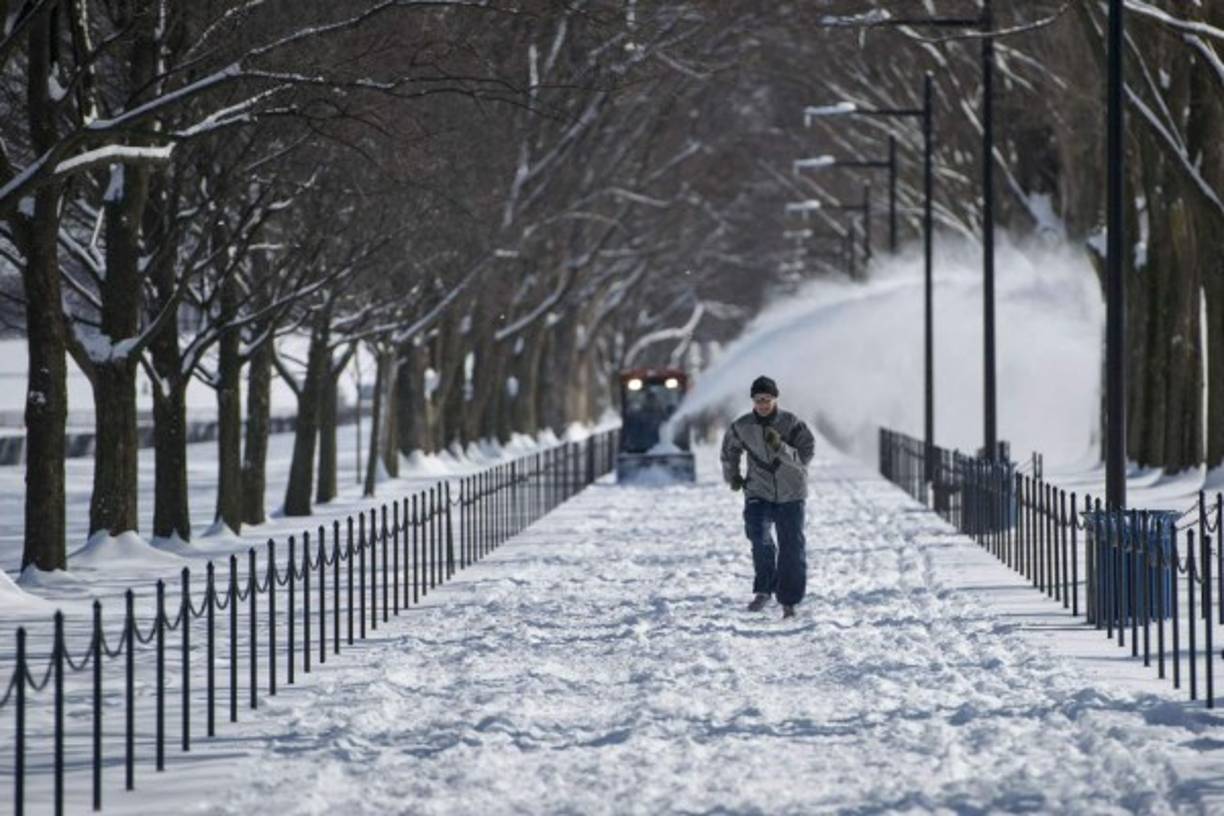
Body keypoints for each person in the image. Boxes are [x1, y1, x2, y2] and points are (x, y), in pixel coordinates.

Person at [720, 375, 815, 618]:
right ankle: (764, 589)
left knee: (791, 546)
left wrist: (780, 448)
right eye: (758, 399)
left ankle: (789, 600)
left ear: (775, 398)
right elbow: (729, 450)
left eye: (768, 399)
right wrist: (733, 475)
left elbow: (804, 456)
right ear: (752, 400)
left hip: (791, 493)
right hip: (758, 491)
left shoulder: (791, 423)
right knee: (758, 536)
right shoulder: (742, 426)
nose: (763, 403)